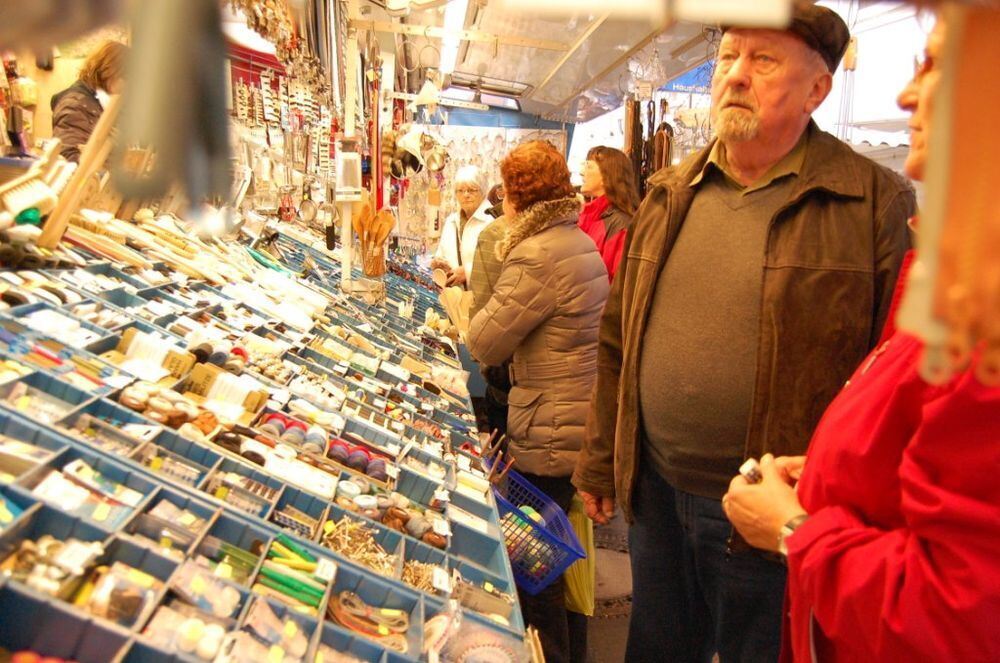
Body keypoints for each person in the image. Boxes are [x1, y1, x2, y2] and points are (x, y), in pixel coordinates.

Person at [571, 3, 915, 661]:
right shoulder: (670, 191)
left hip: (769, 505)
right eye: (728, 57)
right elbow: (619, 337)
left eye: (763, 60)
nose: (735, 75)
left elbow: (886, 372)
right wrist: (598, 456)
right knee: (656, 647)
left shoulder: (870, 199)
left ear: (818, 89)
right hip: (658, 490)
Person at [723, 12, 1000, 662]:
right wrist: (827, 471)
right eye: (731, 56)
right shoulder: (956, 274)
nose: (907, 95)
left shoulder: (976, 305)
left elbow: (956, 613)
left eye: (933, 63)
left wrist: (797, 529)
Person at [467, 140, 609, 663]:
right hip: (576, 416)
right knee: (561, 567)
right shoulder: (577, 239)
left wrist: (463, 304)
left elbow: (484, 341)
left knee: (538, 574)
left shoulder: (535, 253)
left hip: (548, 427)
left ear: (516, 197)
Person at [468, 194, 511, 436]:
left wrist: (480, 351)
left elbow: (483, 299)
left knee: (505, 439)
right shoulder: (578, 235)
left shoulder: (497, 233)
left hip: (510, 368)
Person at [51, 40, 128, 162]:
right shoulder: (74, 104)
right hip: (85, 180)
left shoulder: (101, 104)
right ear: (108, 70)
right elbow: (68, 157)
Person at [578, 146, 641, 281]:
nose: (582, 172)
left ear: (607, 175)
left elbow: (619, 283)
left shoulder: (621, 224)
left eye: (589, 167)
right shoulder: (589, 216)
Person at [431, 165, 493, 287]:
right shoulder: (451, 221)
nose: (466, 195)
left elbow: (497, 267)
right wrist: (438, 264)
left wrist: (468, 273)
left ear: (483, 191)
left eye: (471, 190)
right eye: (460, 190)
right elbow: (442, 253)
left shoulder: (491, 222)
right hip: (454, 297)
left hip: (481, 299)